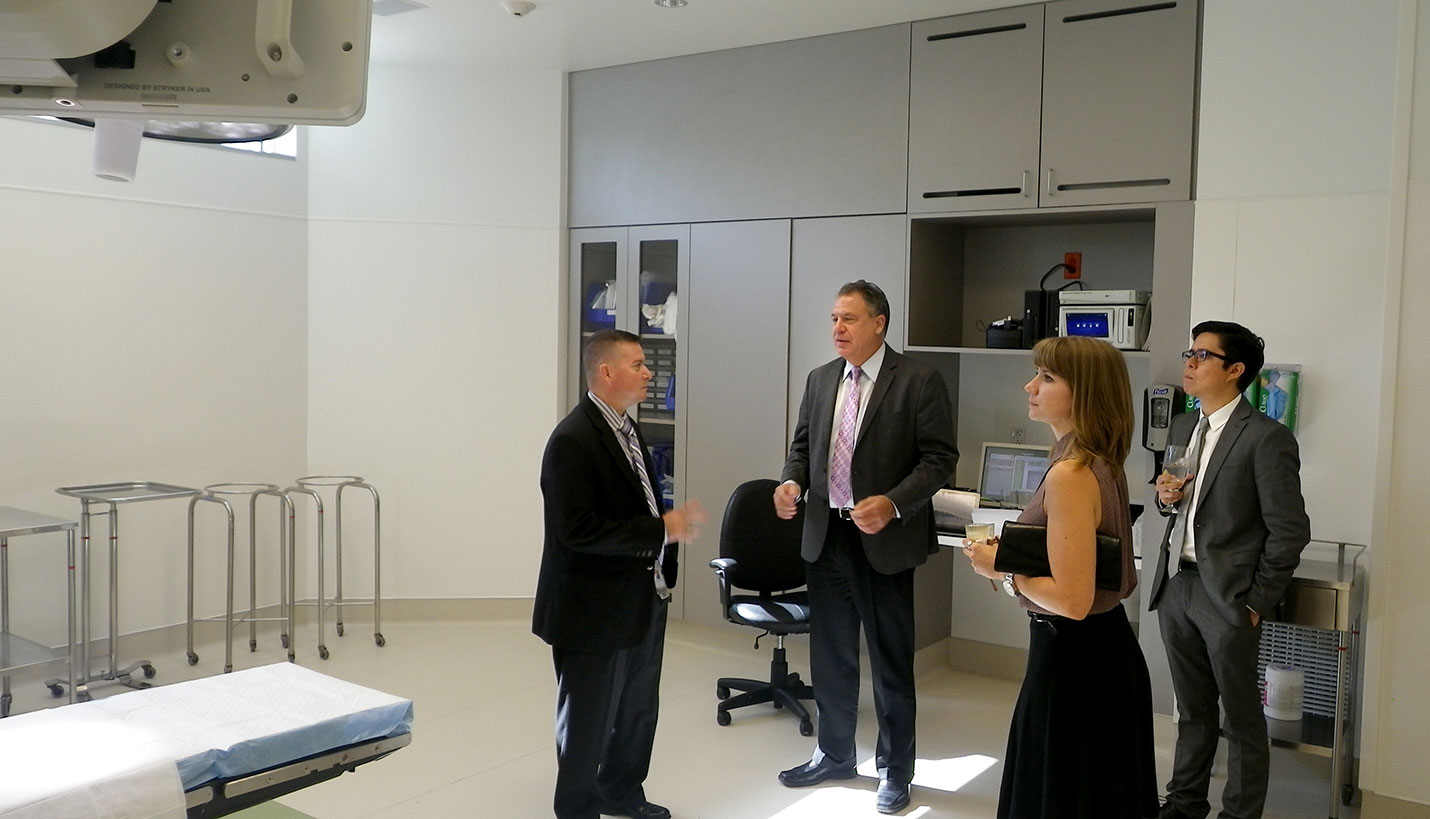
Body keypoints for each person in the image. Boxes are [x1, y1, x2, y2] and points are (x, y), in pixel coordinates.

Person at [773, 280, 957, 815]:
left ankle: (895, 771)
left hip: (883, 541)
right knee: (831, 658)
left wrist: (894, 504)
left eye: (849, 319)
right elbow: (803, 447)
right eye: (834, 318)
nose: (837, 329)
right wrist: (791, 483)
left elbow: (939, 459)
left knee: (890, 661)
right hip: (826, 535)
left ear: (879, 323)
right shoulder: (820, 378)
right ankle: (833, 754)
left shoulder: (919, 379)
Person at [962, 335, 1159, 819]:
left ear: (1084, 393)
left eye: (1047, 378)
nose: (1030, 386)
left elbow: (1072, 600)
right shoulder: (1099, 461)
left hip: (1076, 663)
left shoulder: (1071, 473)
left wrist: (1003, 569)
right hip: (1100, 655)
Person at [533, 329, 708, 819]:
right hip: (593, 608)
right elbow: (577, 531)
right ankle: (578, 808)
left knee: (635, 710)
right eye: (637, 364)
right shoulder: (572, 440)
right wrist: (660, 529)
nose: (649, 372)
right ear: (606, 372)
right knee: (589, 719)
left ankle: (622, 790)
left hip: (642, 596)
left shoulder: (627, 429)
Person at [1148, 321, 1310, 819]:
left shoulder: (1266, 438)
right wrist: (1163, 496)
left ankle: (1239, 814)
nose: (1189, 364)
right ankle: (1184, 802)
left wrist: (1257, 601)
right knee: (1192, 710)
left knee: (1240, 720)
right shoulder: (1182, 426)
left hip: (1229, 596)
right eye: (1189, 353)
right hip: (1177, 583)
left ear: (1235, 370)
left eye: (1202, 356)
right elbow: (1175, 502)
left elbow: (1290, 531)